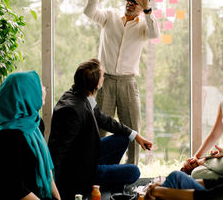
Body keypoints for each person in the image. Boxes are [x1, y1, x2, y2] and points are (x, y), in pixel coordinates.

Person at [84, 0, 160, 165]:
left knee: (134, 130)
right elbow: (89, 12)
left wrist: (148, 10)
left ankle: (129, 180)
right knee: (98, 129)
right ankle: (95, 178)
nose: (130, 3)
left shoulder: (144, 26)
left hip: (128, 83)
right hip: (105, 81)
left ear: (142, 5)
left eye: (136, 1)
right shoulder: (109, 16)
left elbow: (155, 34)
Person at [48, 59, 153, 200]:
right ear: (97, 84)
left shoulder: (81, 94)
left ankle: (103, 181)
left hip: (87, 154)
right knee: (134, 171)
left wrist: (136, 135)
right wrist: (55, 189)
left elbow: (104, 119)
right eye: (102, 75)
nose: (104, 78)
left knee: (123, 138)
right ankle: (96, 183)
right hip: (81, 171)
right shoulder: (72, 111)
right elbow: (58, 151)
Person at [0, 71, 60, 200]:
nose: (44, 89)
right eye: (39, 85)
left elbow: (47, 170)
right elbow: (15, 189)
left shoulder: (35, 122)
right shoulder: (6, 137)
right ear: (26, 94)